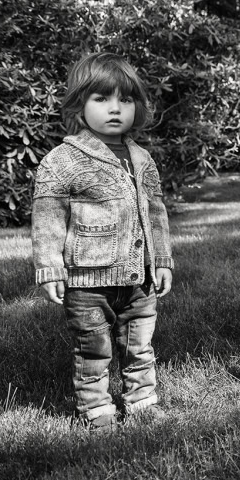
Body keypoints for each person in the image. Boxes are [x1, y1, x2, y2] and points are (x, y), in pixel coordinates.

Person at [32, 52, 174, 432]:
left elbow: (155, 212)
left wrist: (161, 260)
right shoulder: (62, 160)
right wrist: (50, 268)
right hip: (86, 282)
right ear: (80, 104)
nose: (116, 109)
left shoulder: (142, 158)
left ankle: (142, 401)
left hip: (138, 279)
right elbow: (47, 217)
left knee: (139, 346)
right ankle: (96, 410)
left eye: (125, 100)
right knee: (93, 350)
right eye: (102, 99)